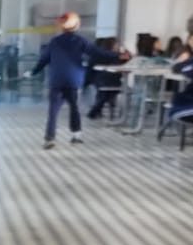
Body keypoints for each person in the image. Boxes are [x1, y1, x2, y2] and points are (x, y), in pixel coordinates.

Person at [31, 12, 128, 148]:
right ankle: (76, 135)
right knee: (74, 107)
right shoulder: (80, 41)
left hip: (56, 80)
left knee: (53, 110)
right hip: (73, 80)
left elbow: (43, 60)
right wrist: (118, 56)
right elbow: (98, 52)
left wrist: (33, 72)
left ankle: (50, 138)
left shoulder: (54, 42)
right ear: (76, 25)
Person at [85, 36, 124, 120]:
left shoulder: (113, 55)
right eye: (117, 44)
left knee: (105, 94)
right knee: (106, 92)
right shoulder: (109, 55)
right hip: (104, 80)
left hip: (104, 80)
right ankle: (97, 110)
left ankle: (96, 110)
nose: (118, 46)